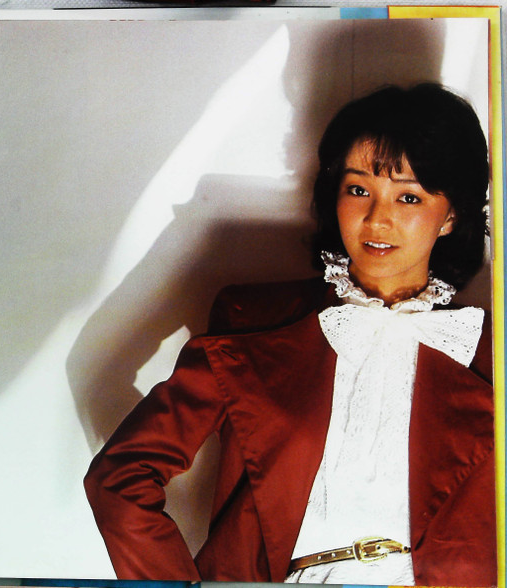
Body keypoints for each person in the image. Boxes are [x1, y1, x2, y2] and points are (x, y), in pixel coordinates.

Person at [84, 84, 496, 586]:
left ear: (450, 215)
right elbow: (119, 477)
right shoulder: (255, 321)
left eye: (409, 197)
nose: (377, 218)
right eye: (358, 190)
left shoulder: (489, 352)